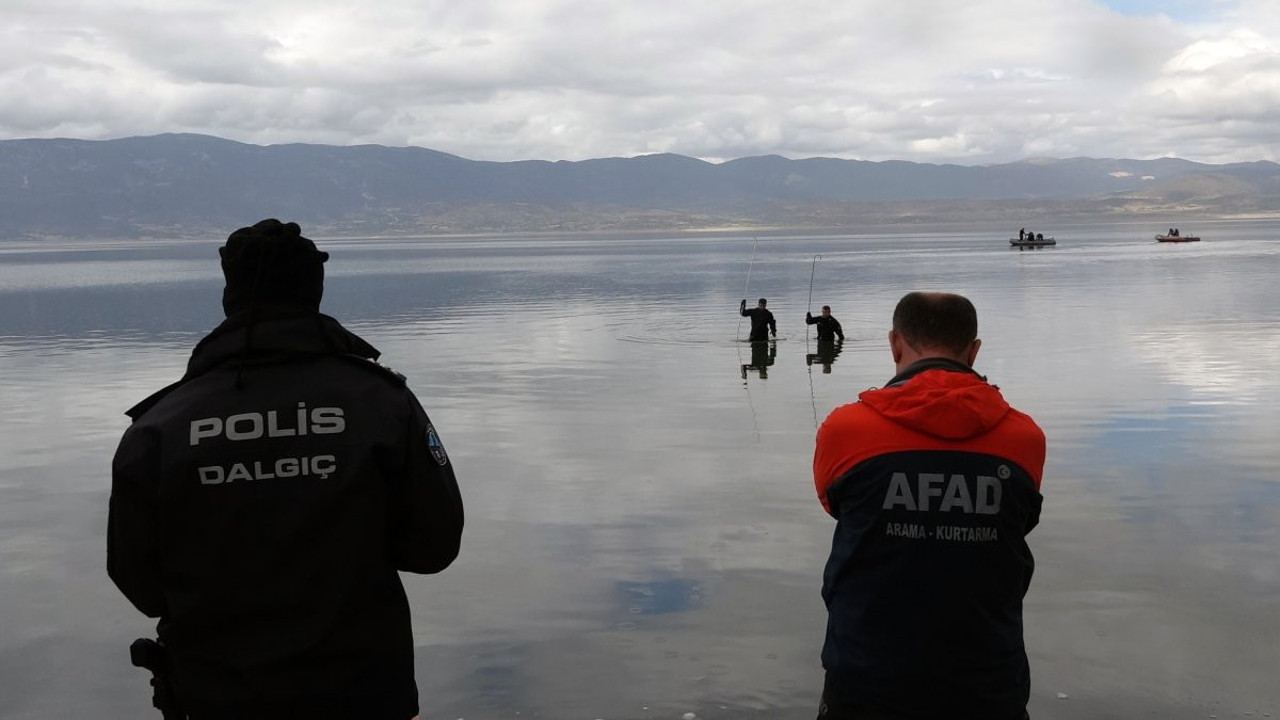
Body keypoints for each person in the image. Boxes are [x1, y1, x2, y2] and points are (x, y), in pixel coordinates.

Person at [108, 219, 465, 720]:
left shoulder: (160, 427)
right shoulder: (381, 403)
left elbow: (140, 583)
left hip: (216, 696)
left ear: (230, 295)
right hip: (362, 693)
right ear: (313, 292)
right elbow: (433, 547)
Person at [811, 291, 1045, 720]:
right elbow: (1021, 521)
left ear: (895, 344)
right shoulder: (1024, 439)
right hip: (988, 683)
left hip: (865, 679)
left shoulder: (845, 430)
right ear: (973, 351)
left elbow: (837, 505)